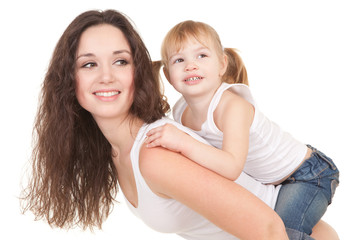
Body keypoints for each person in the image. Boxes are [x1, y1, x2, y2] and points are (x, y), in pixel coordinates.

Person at [20, 9, 337, 240]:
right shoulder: (119, 151)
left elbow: (269, 230)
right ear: (68, 80)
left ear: (139, 72)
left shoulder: (155, 153)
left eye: (120, 61)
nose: (106, 76)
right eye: (89, 64)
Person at [148, 20, 340, 239]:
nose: (191, 65)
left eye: (202, 56)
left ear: (222, 65)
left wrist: (182, 142)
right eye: (179, 60)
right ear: (167, 75)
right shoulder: (181, 111)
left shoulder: (231, 107)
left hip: (308, 175)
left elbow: (231, 167)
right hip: (271, 184)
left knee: (282, 233)